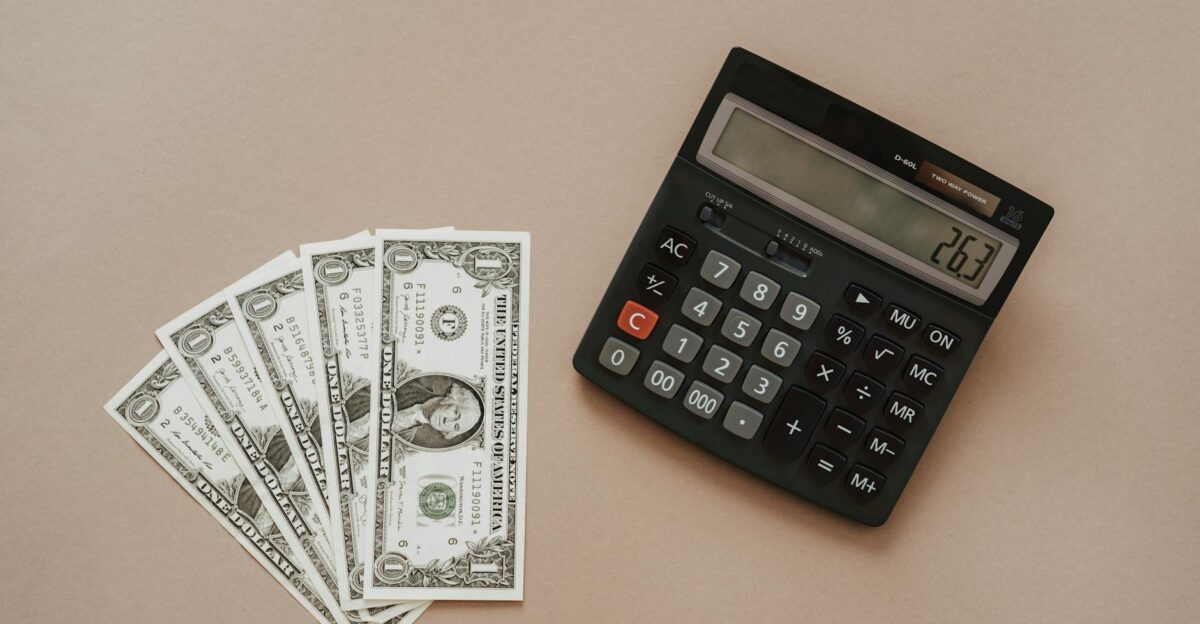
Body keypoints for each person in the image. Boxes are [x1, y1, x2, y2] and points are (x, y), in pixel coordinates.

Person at [392, 378, 482, 448]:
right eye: (455, 413)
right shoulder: (409, 384)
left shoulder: (406, 439)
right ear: (450, 399)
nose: (447, 422)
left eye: (455, 426)